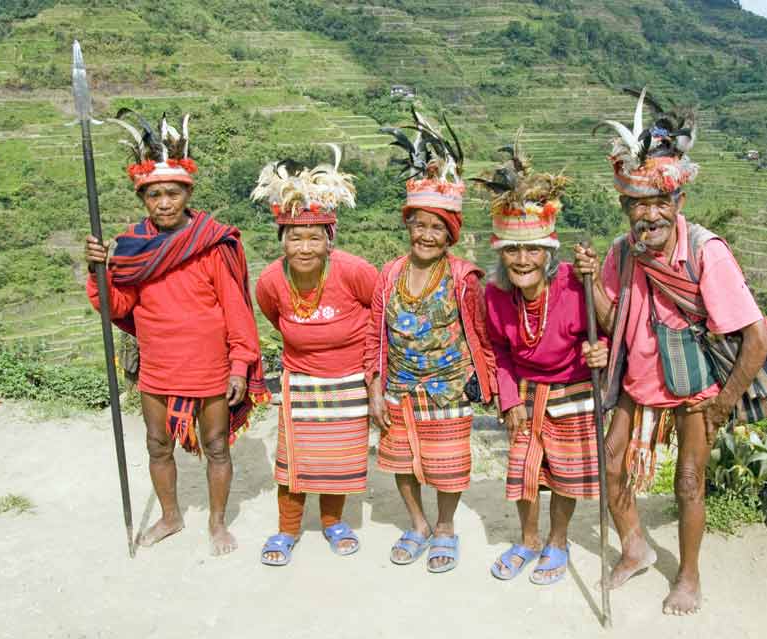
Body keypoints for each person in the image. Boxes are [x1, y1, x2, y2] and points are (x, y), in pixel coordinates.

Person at [575, 89, 767, 613]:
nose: (650, 215)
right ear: (625, 207)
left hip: (694, 387)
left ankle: (688, 576)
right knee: (611, 462)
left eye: (660, 203)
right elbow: (613, 320)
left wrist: (722, 404)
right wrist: (592, 280)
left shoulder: (707, 253)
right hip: (637, 382)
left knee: (689, 481)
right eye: (639, 204)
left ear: (678, 202)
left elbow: (758, 337)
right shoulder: (623, 251)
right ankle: (635, 547)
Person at [85, 111, 268, 557]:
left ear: (187, 192)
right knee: (156, 443)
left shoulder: (213, 241)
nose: (163, 203)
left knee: (217, 446)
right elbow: (120, 307)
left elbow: (236, 310)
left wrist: (240, 366)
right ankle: (170, 516)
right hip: (158, 363)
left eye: (172, 193)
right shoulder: (130, 247)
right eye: (154, 195)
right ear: (142, 196)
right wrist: (100, 271)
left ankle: (218, 523)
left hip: (210, 366)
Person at [366, 111, 496, 573]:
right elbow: (375, 333)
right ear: (409, 226)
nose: (425, 234)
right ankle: (417, 523)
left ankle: (444, 527)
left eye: (436, 228)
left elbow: (480, 332)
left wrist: (486, 381)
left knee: (447, 463)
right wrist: (376, 389)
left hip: (448, 385)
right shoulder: (389, 274)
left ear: (450, 234)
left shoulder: (464, 277)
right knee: (401, 458)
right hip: (400, 384)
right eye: (419, 225)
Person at [475, 137, 609, 585]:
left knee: (566, 476)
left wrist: (600, 353)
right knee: (525, 471)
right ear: (500, 254)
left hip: (573, 391)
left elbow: (609, 334)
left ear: (548, 252)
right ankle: (528, 539)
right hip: (527, 393)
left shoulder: (576, 285)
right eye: (512, 250)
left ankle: (557, 541)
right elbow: (500, 352)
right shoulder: (494, 296)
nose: (523, 259)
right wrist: (509, 402)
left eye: (533, 249)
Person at [252, 147, 379, 565]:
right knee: (294, 463)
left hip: (349, 381)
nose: (304, 246)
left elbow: (379, 313)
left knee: (337, 460)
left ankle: (333, 523)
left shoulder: (354, 270)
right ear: (282, 240)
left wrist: (372, 374)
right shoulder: (271, 282)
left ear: (329, 239)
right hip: (302, 381)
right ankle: (287, 530)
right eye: (295, 237)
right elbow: (277, 319)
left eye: (314, 237)